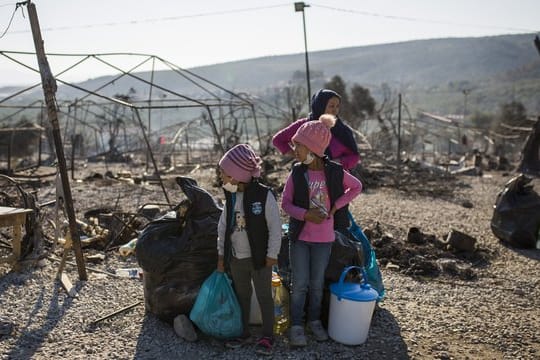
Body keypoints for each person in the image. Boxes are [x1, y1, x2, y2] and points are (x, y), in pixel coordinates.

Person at [280, 114, 362, 347]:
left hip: (324, 239)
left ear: (313, 149)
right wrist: (305, 215)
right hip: (300, 239)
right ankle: (297, 325)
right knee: (300, 283)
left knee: (317, 284)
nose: (294, 150)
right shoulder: (297, 173)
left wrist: (336, 206)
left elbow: (356, 187)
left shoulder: (334, 172)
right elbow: (285, 204)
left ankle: (314, 321)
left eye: (298, 146)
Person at [216, 144, 282, 356]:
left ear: (237, 176)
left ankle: (267, 336)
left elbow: (275, 228)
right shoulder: (230, 196)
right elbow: (223, 227)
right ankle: (243, 332)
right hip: (237, 259)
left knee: (264, 296)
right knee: (241, 295)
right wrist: (221, 255)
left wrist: (272, 254)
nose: (221, 178)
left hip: (260, 259)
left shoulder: (264, 196)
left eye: (224, 174)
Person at [272, 88, 360, 171]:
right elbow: (278, 140)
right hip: (309, 179)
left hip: (337, 179)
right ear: (320, 105)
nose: (335, 110)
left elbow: (354, 156)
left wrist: (335, 163)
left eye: (337, 106)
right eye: (331, 106)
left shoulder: (343, 131)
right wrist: (299, 155)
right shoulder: (305, 126)